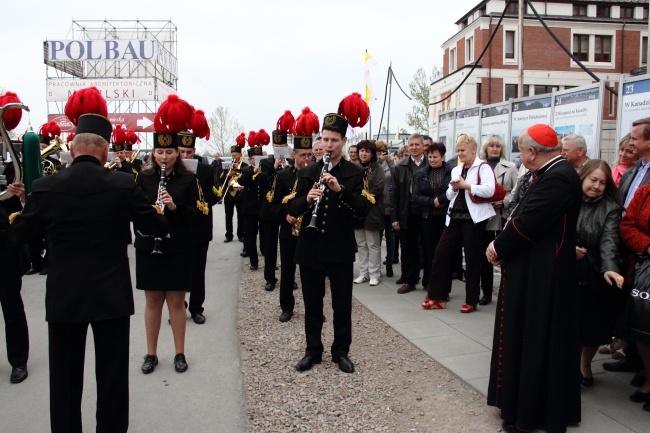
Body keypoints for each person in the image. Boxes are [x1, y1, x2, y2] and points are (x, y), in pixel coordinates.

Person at [13, 88, 168, 433]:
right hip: (111, 295)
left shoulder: (44, 187)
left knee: (65, 382)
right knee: (112, 379)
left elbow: (19, 236)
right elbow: (154, 225)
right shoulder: (124, 184)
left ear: (72, 147)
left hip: (64, 296)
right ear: (105, 151)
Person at [486, 124, 582, 433]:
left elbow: (528, 223)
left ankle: (532, 413)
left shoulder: (558, 176)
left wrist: (497, 246)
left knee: (538, 340)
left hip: (545, 275)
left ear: (531, 152)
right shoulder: (550, 173)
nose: (519, 156)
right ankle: (525, 405)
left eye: (520, 150)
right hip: (536, 268)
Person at [290, 93, 370, 373]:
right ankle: (313, 350)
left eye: (334, 140)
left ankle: (341, 351)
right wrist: (307, 200)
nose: (328, 144)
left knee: (341, 304)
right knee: (312, 303)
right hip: (311, 247)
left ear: (344, 142)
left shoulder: (353, 173)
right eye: (325, 139)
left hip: (339, 248)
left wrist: (340, 190)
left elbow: (362, 209)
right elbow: (290, 206)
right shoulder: (308, 172)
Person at [136, 95, 202, 375]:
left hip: (177, 247)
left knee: (175, 301)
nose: (164, 157)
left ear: (177, 153)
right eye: (159, 153)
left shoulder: (189, 179)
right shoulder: (144, 177)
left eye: (169, 153)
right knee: (152, 301)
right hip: (149, 245)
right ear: (154, 153)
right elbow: (135, 210)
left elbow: (197, 215)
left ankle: (179, 353)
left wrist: (174, 207)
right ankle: (151, 353)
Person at [424, 135, 495, 313]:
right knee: (440, 254)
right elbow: (449, 195)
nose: (460, 154)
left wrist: (467, 185)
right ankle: (437, 296)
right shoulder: (457, 169)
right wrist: (454, 188)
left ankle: (471, 300)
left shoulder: (483, 167)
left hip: (474, 219)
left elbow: (489, 190)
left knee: (472, 259)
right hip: (454, 216)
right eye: (458, 151)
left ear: (472, 150)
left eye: (462, 150)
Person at [572, 159, 626, 387]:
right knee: (569, 324)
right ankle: (568, 364)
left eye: (602, 183)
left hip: (594, 274)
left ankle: (584, 365)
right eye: (593, 180)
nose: (597, 186)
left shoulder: (610, 209)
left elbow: (609, 242)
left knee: (592, 327)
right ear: (583, 177)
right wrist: (567, 249)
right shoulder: (567, 199)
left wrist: (610, 269)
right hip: (567, 272)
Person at [271, 111, 320, 322]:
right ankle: (287, 307)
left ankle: (315, 309)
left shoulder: (320, 174)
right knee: (288, 271)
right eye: (303, 155)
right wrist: (285, 216)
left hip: (311, 229)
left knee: (313, 273)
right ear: (294, 155)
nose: (307, 159)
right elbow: (272, 205)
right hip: (289, 229)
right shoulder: (282, 176)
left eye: (310, 155)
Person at [177, 125, 219, 325]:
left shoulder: (206, 170)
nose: (185, 155)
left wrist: (198, 192)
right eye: (182, 152)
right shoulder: (171, 170)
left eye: (189, 152)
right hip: (179, 225)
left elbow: (214, 195)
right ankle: (178, 307)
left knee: (197, 269)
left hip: (200, 226)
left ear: (194, 151)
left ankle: (196, 308)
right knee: (179, 269)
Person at [619, 183, 650, 412]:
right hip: (644, 271)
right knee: (643, 329)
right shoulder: (645, 191)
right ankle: (649, 379)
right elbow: (627, 225)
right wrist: (647, 246)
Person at [478, 135, 519, 306]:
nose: (494, 149)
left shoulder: (510, 167)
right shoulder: (480, 166)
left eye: (497, 146)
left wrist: (505, 201)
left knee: (503, 254)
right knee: (485, 257)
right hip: (484, 215)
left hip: (502, 215)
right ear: (486, 148)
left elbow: (516, 190)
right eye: (491, 146)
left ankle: (505, 292)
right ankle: (486, 292)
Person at [411, 141, 452, 291]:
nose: (433, 160)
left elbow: (454, 192)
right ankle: (428, 281)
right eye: (430, 157)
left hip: (446, 217)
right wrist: (432, 202)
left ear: (442, 156)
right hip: (428, 217)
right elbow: (415, 196)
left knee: (444, 252)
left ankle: (444, 285)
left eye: (435, 157)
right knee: (429, 251)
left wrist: (441, 200)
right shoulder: (421, 174)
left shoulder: (452, 171)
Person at [390, 134, 427, 294]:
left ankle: (428, 281)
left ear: (423, 145)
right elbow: (395, 194)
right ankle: (409, 280)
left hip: (427, 212)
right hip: (407, 212)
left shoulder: (430, 163)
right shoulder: (401, 166)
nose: (414, 147)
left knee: (427, 248)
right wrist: (394, 217)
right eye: (411, 145)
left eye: (417, 144)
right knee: (407, 248)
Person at [353, 140, 385, 286]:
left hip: (373, 209)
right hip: (358, 210)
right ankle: (363, 272)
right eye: (361, 150)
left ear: (372, 154)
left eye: (367, 151)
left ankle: (374, 274)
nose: (363, 153)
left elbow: (378, 187)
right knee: (361, 243)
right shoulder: (355, 168)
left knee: (373, 243)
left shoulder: (377, 168)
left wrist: (364, 198)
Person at [219, 136, 248, 243]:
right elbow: (221, 178)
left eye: (236, 155)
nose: (234, 157)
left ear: (240, 155)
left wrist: (238, 171)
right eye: (232, 155)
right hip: (229, 194)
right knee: (228, 215)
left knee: (241, 215)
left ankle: (241, 234)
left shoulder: (244, 166)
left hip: (240, 194)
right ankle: (228, 235)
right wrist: (228, 173)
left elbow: (245, 179)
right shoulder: (228, 166)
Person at [375, 140, 396, 277]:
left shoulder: (390, 163)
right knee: (376, 238)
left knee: (390, 237)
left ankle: (389, 263)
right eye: (379, 151)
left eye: (384, 150)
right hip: (377, 207)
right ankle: (375, 265)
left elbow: (396, 175)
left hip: (390, 206)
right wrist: (378, 160)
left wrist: (390, 162)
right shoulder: (375, 164)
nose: (382, 153)